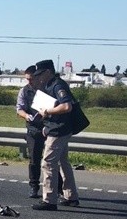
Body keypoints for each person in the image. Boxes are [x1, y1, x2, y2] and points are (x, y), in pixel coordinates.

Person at [30, 59, 80, 211]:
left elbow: (66, 106)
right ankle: (70, 196)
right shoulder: (50, 85)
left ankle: (49, 200)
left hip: (59, 130)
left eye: (40, 74)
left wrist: (47, 112)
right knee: (63, 162)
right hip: (57, 128)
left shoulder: (58, 85)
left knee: (47, 162)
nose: (38, 77)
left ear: (47, 72)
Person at [16, 65, 61, 199]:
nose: (29, 82)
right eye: (27, 79)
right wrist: (26, 116)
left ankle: (58, 188)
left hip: (48, 128)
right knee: (34, 159)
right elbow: (19, 108)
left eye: (31, 79)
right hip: (33, 128)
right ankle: (34, 187)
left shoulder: (47, 89)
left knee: (51, 161)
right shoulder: (24, 91)